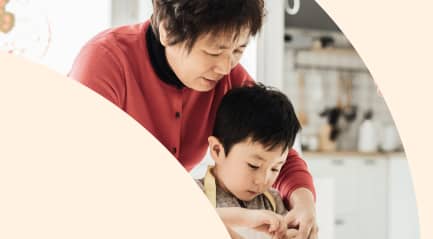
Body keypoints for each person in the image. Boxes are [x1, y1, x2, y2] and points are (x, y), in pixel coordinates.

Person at [69, 1, 318, 238]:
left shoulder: (228, 78)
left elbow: (273, 151)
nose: (225, 66)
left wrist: (304, 205)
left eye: (238, 50)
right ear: (167, 29)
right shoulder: (105, 62)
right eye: (213, 51)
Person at [197, 84, 301, 239]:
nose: (263, 180)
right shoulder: (195, 192)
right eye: (254, 165)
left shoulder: (274, 201)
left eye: (275, 169)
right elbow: (183, 218)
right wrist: (245, 218)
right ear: (217, 150)